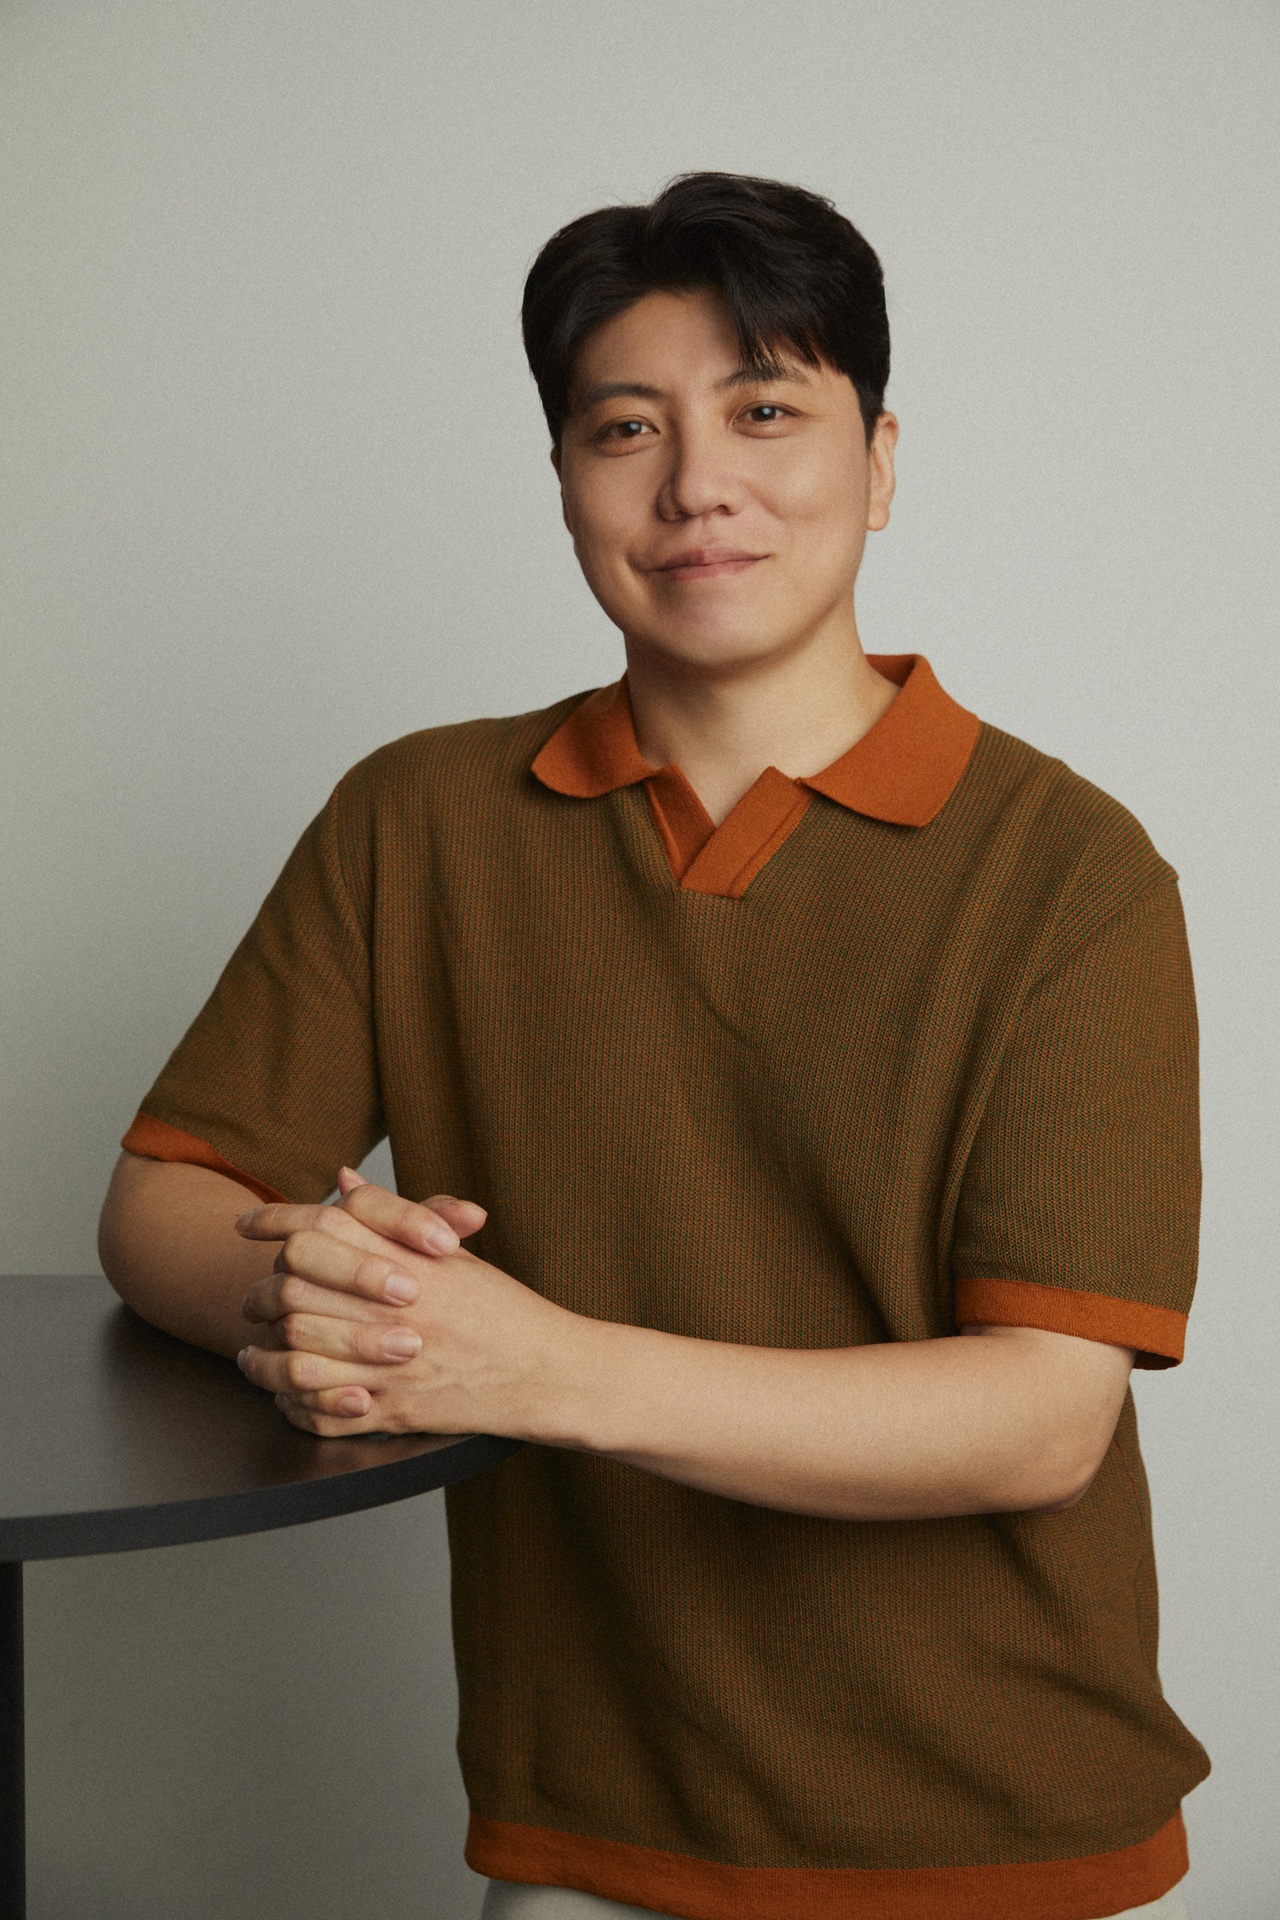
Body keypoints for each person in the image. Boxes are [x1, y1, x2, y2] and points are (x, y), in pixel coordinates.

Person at [99, 173, 1207, 1920]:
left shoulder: (1069, 871)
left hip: (999, 1829)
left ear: (881, 461)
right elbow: (167, 1193)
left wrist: (534, 1368)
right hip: (588, 1819)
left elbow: (1038, 1420)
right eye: (627, 427)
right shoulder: (420, 820)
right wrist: (338, 1300)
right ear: (563, 479)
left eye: (765, 411)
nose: (696, 484)